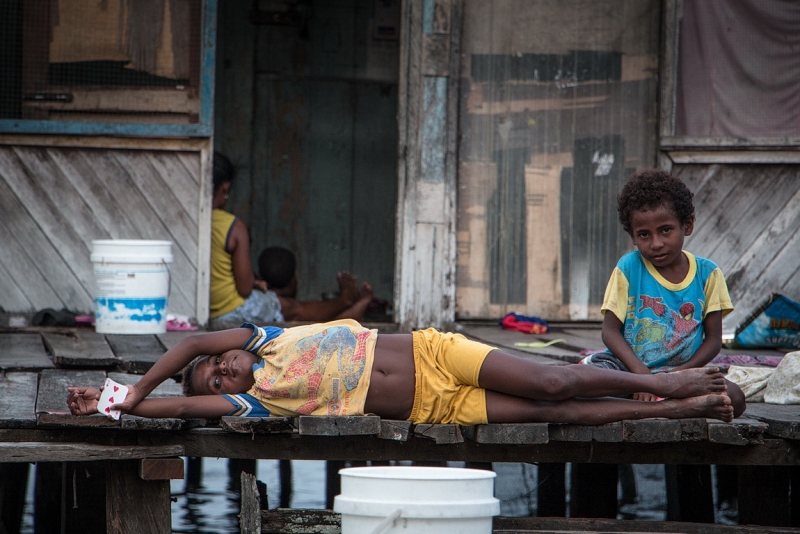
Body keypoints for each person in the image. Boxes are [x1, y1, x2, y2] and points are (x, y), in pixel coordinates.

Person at [66, 320, 736, 425]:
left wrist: (131, 385)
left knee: (554, 381)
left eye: (219, 364)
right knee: (554, 417)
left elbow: (182, 352)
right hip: (432, 410)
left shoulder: (262, 337)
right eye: (219, 382)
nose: (221, 371)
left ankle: (672, 380)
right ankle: (671, 408)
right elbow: (182, 409)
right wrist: (118, 409)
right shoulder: (259, 404)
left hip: (433, 353)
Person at [580, 169, 745, 416]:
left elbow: (712, 341)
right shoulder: (629, 267)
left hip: (682, 373)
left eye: (666, 230)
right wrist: (645, 379)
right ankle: (673, 406)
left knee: (735, 398)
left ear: (687, 226)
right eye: (644, 234)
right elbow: (610, 332)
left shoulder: (708, 274)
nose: (656, 243)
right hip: (628, 371)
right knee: (586, 383)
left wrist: (679, 377)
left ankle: (663, 403)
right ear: (633, 237)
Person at [209, 152, 280, 324]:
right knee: (279, 303)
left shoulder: (185, 221)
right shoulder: (234, 227)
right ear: (225, 188)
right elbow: (244, 289)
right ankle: (346, 307)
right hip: (229, 310)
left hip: (200, 309)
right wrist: (252, 282)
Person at [257, 246, 374, 322]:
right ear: (294, 279)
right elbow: (300, 310)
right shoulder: (269, 305)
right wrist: (344, 300)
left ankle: (349, 315)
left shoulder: (267, 302)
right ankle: (349, 314)